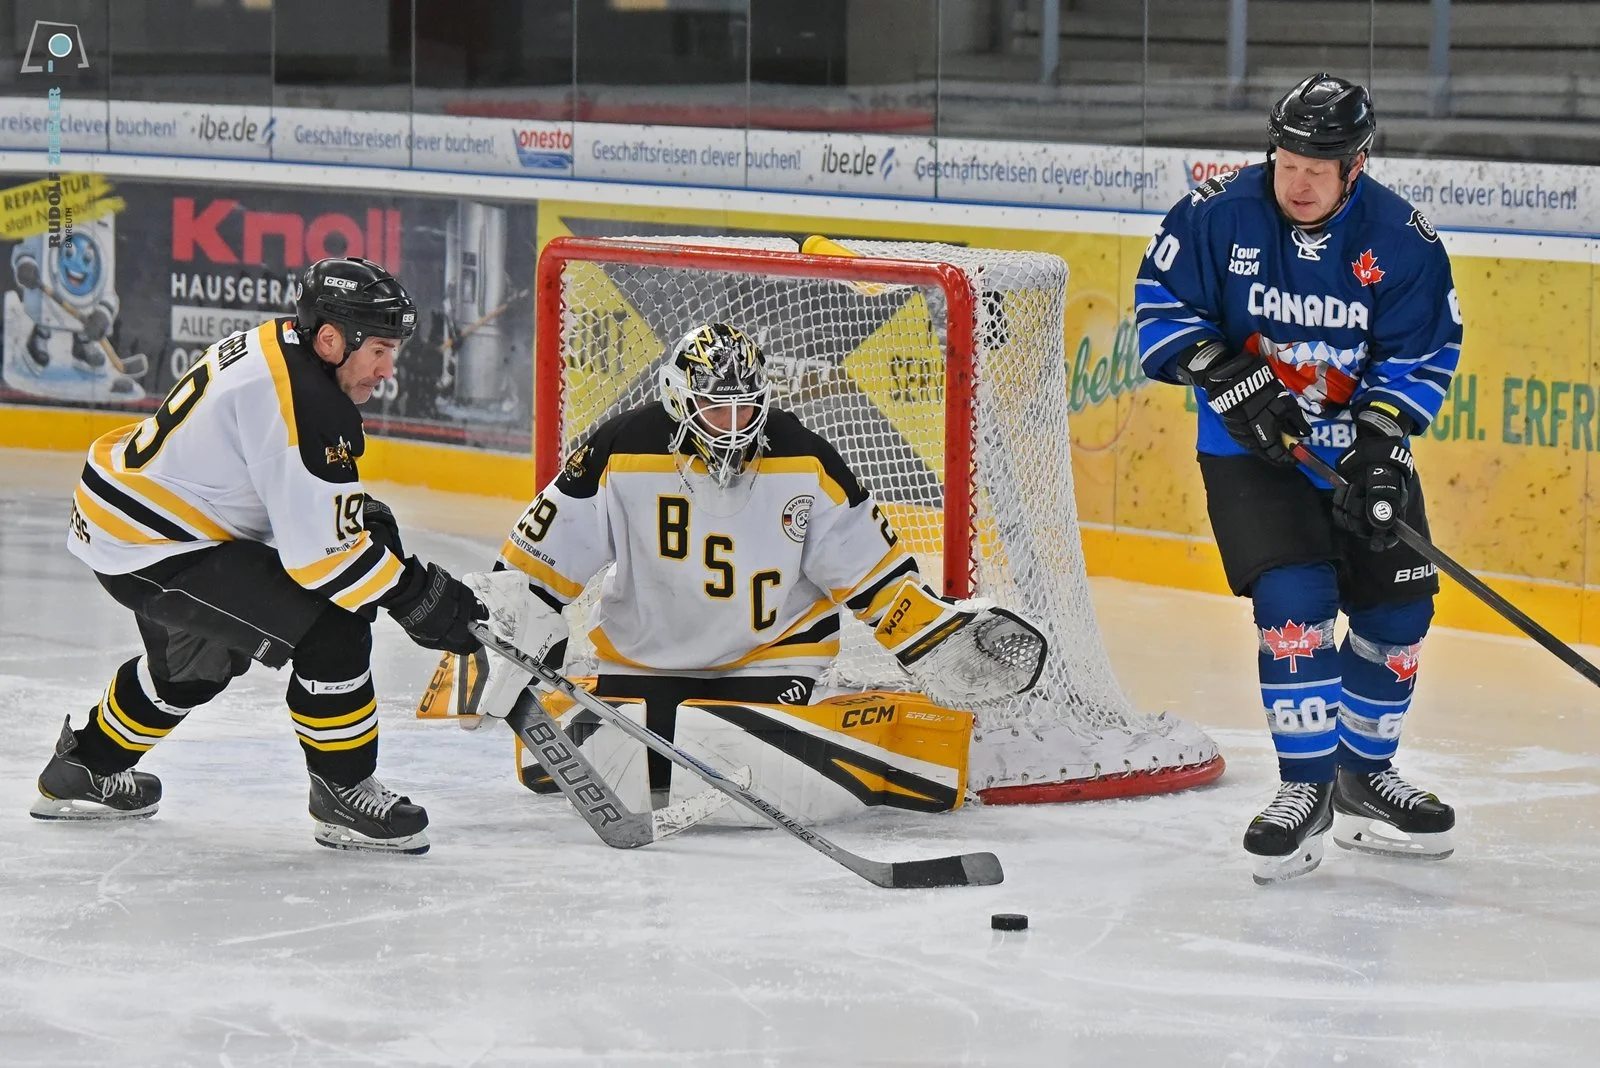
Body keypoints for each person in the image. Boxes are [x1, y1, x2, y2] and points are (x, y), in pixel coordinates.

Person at [455, 322, 1044, 810]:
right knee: (632, 768)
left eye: (746, 409)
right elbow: (541, 557)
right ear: (680, 398)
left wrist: (926, 632)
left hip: (771, 655)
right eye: (717, 410)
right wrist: (505, 634)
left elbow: (872, 572)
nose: (735, 427)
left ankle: (861, 742)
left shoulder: (805, 457)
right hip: (647, 657)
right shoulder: (620, 448)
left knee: (743, 763)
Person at [32, 257, 486, 855]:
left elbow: (279, 490)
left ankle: (82, 769)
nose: (387, 368)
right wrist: (418, 598)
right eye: (378, 349)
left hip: (133, 516)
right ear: (332, 338)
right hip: (156, 542)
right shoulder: (305, 400)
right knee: (334, 622)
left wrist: (355, 521)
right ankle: (343, 792)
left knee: (195, 666)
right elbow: (324, 564)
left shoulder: (283, 345)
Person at [1136, 73, 1463, 884]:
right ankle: (1305, 787)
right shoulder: (1215, 214)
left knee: (1400, 609)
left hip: (1354, 454)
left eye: (1321, 165)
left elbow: (1421, 350)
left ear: (1358, 164)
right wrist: (1220, 369)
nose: (1301, 180)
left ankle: (1362, 777)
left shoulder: (1401, 237)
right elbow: (1160, 306)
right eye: (1287, 161)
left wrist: (1383, 437)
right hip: (1255, 456)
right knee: (1295, 607)